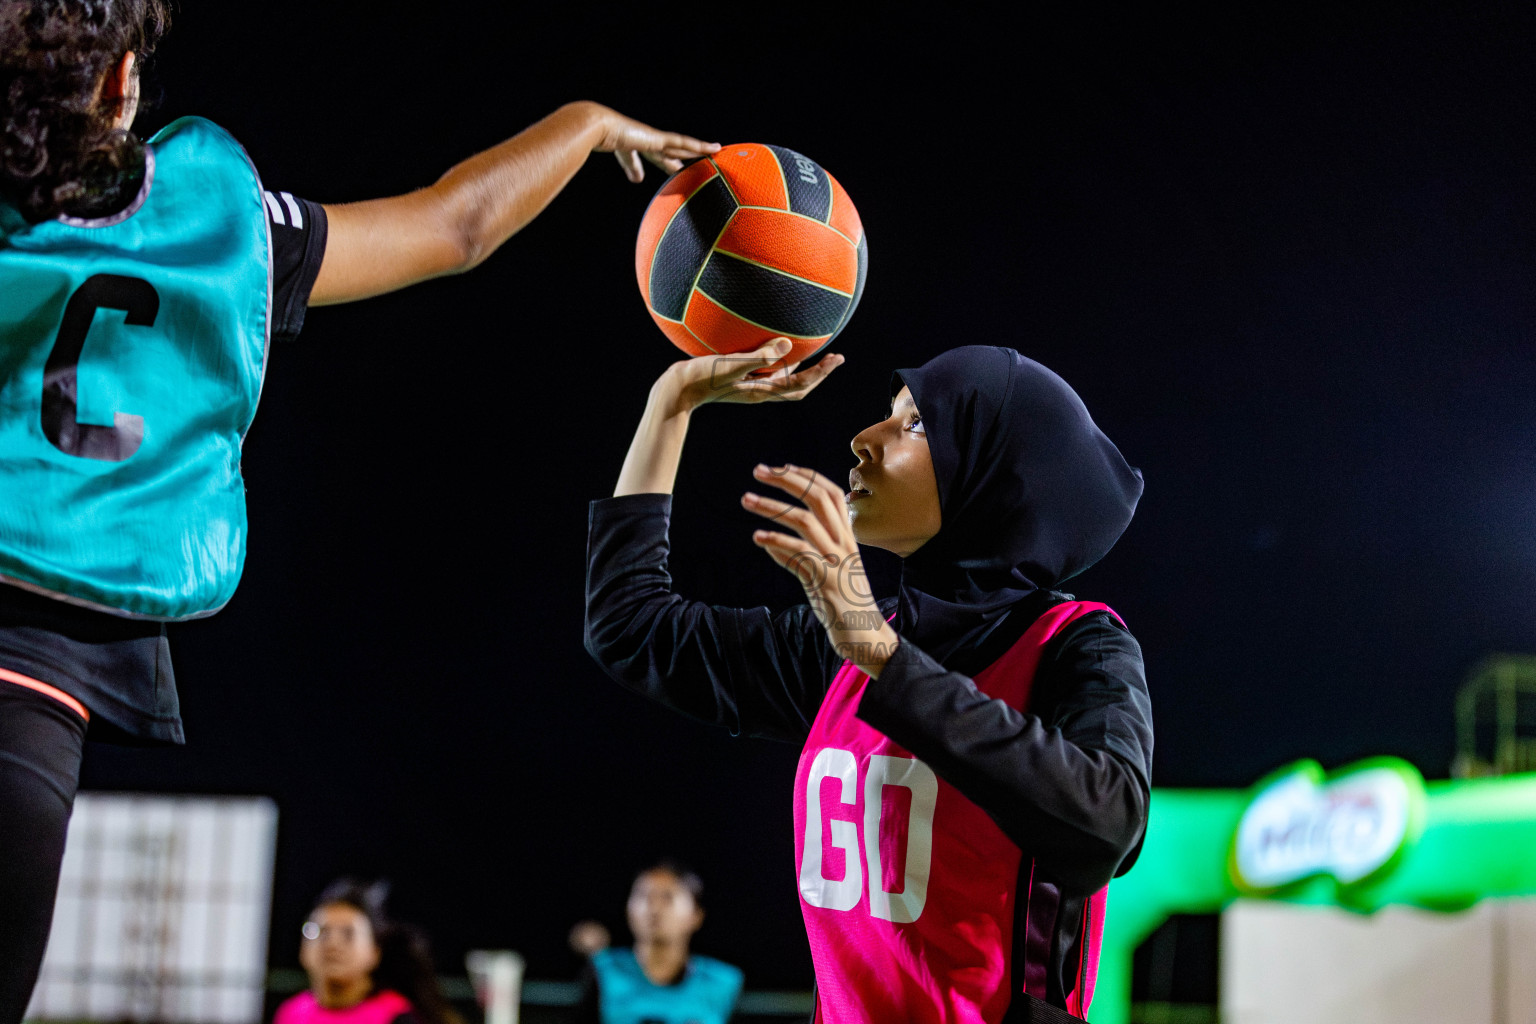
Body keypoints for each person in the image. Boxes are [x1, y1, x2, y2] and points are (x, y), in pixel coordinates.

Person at [0, 3, 717, 1020]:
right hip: (31, 688)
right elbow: (455, 223)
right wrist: (588, 122)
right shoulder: (214, 221)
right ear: (121, 84)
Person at [583, 339, 1153, 1022]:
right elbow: (629, 628)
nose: (863, 440)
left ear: (992, 472)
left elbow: (1106, 824)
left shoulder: (1075, 644)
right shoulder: (845, 639)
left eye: (914, 424)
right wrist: (670, 404)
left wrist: (879, 651)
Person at [569, 860, 743, 1024]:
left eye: (668, 897)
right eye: (644, 896)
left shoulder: (723, 982)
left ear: (696, 915)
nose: (654, 907)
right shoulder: (603, 971)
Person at [273, 880, 460, 1024]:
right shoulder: (291, 1012)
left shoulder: (394, 1015)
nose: (332, 944)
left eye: (348, 934)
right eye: (319, 931)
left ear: (374, 952)